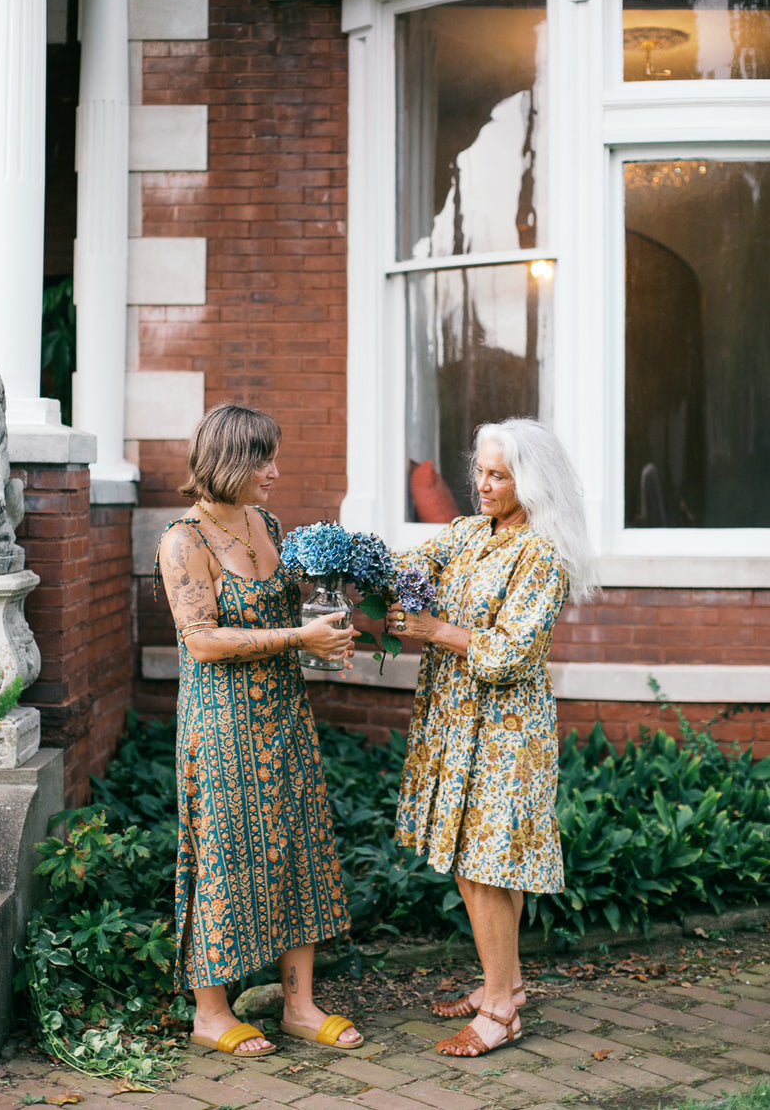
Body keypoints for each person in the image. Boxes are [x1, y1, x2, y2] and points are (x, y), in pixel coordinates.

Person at [384, 418, 595, 1058]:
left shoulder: (542, 556)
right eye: (479, 471)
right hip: (455, 721)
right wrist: (351, 565)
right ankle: (504, 983)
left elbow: (508, 655)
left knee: (486, 867)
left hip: (507, 732)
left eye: (498, 475)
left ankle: (501, 1010)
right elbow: (404, 566)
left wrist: (433, 630)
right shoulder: (471, 534)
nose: (481, 484)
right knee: (474, 864)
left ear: (530, 481)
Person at [157, 403, 363, 1058]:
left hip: (284, 716)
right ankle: (211, 1014)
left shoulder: (266, 522)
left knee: (298, 850)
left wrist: (329, 625)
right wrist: (300, 636)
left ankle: (299, 1006)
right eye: (263, 461)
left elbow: (290, 610)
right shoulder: (183, 540)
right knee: (223, 855)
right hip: (221, 726)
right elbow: (204, 640)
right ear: (229, 464)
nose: (276, 472)